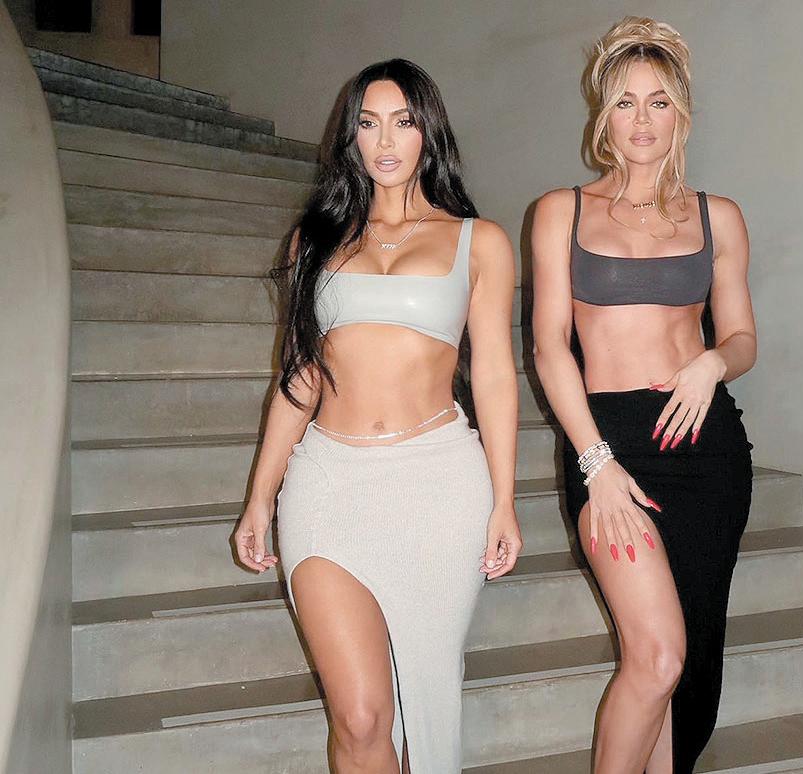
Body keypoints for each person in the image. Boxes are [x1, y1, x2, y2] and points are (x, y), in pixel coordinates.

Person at [233, 59, 521, 773]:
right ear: (350, 135)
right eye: (368, 123)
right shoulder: (314, 240)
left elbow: (493, 375)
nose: (385, 141)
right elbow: (299, 375)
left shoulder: (479, 241)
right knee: (360, 716)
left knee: (424, 695)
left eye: (403, 122)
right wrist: (261, 495)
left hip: (438, 483)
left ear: (429, 132)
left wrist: (504, 500)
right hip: (328, 482)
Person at [531, 17, 756, 773]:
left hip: (705, 444)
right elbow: (548, 348)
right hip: (608, 444)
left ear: (680, 113)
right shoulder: (560, 211)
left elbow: (743, 337)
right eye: (625, 102)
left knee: (690, 668)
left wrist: (713, 364)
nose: (641, 119)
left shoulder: (717, 217)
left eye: (658, 102)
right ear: (603, 114)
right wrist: (594, 461)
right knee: (656, 656)